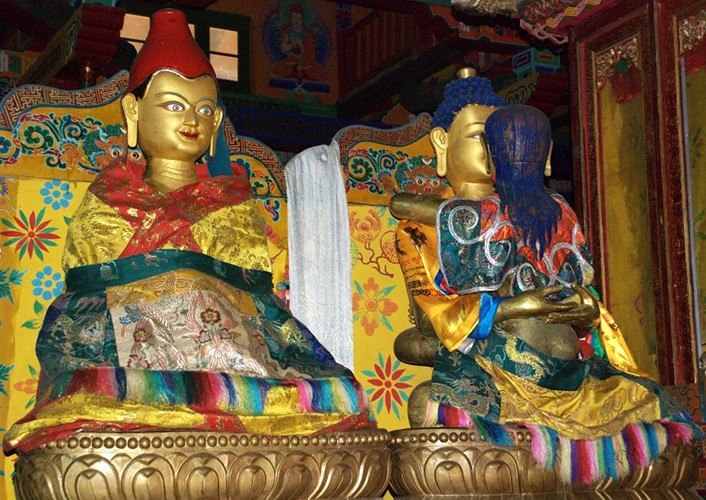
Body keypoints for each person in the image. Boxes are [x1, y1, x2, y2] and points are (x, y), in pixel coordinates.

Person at [4, 9, 373, 455]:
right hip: (135, 364)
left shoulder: (232, 203)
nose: (192, 118)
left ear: (216, 123)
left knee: (337, 394)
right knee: (87, 390)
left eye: (204, 108)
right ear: (134, 111)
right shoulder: (110, 198)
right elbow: (86, 298)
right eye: (174, 105)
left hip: (232, 364)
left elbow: (255, 301)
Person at [391, 70, 700, 484]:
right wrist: (517, 307)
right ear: (442, 143)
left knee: (658, 415)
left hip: (566, 370)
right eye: (482, 137)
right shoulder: (428, 228)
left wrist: (588, 310)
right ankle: (561, 461)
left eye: (498, 141)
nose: (492, 150)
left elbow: (581, 295)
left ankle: (540, 459)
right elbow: (432, 323)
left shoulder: (546, 213)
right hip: (491, 359)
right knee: (420, 386)